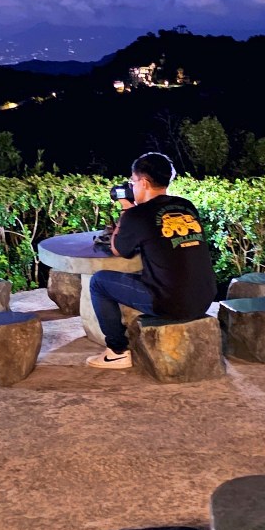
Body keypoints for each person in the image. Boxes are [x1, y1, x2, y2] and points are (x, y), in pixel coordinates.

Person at [86, 152, 215, 369]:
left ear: (144, 182)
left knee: (99, 282)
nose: (132, 186)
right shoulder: (186, 205)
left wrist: (126, 207)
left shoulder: (137, 215)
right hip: (204, 298)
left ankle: (117, 351)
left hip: (171, 303)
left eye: (133, 182)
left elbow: (119, 249)